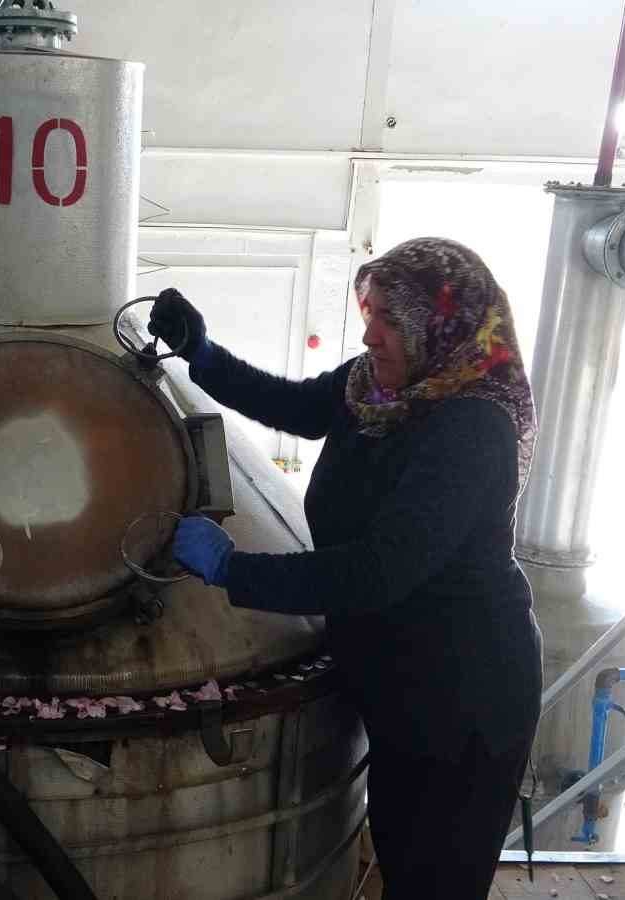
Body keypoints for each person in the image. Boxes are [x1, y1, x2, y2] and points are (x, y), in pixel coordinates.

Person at [151, 237, 542, 899]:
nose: (370, 334)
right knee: (399, 859)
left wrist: (233, 571)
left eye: (391, 320)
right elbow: (295, 406)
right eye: (371, 312)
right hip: (398, 686)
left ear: (438, 329)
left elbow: (378, 571)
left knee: (436, 882)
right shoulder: (375, 388)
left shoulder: (472, 428)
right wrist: (203, 356)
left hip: (463, 698)